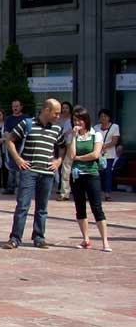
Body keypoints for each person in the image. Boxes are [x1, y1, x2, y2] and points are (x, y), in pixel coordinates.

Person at [3, 99, 66, 250]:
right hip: (29, 172)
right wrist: (18, 159)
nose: (58, 116)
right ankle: (15, 238)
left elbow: (63, 146)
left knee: (42, 207)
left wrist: (58, 161)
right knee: (23, 206)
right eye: (56, 113)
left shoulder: (57, 129)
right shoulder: (27, 124)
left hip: (47, 172)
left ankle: (39, 237)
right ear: (46, 110)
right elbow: (9, 140)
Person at [69, 107, 111, 252]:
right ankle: (86, 239)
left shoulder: (95, 134)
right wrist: (73, 137)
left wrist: (79, 158)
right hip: (77, 175)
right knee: (80, 207)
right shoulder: (74, 136)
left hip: (91, 174)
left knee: (96, 207)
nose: (77, 123)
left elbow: (95, 154)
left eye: (80, 120)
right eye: (75, 120)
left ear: (86, 120)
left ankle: (105, 241)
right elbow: (71, 155)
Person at [95, 109, 120, 201]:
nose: (103, 118)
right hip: (98, 154)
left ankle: (107, 193)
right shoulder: (96, 127)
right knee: (97, 174)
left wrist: (104, 146)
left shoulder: (115, 127)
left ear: (109, 117)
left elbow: (115, 141)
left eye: (105, 116)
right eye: (101, 116)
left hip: (109, 155)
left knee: (107, 173)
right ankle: (96, 193)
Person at [3, 99, 27, 193]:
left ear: (21, 107)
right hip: (11, 144)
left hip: (23, 145)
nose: (15, 108)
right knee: (11, 166)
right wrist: (9, 138)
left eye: (17, 106)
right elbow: (6, 132)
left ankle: (20, 187)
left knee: (21, 166)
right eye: (13, 106)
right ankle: (10, 187)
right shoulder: (9, 119)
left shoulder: (25, 118)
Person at [56, 101, 74, 201]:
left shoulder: (85, 123)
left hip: (81, 147)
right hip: (68, 145)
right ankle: (64, 193)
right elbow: (63, 134)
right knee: (65, 169)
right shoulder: (68, 122)